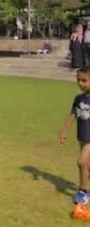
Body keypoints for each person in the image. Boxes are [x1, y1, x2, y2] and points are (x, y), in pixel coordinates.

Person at [59, 67, 90, 205]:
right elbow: (72, 115)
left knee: (81, 161)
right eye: (78, 80)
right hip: (82, 136)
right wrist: (64, 133)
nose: (80, 83)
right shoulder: (78, 98)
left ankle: (83, 191)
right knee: (87, 164)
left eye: (84, 80)